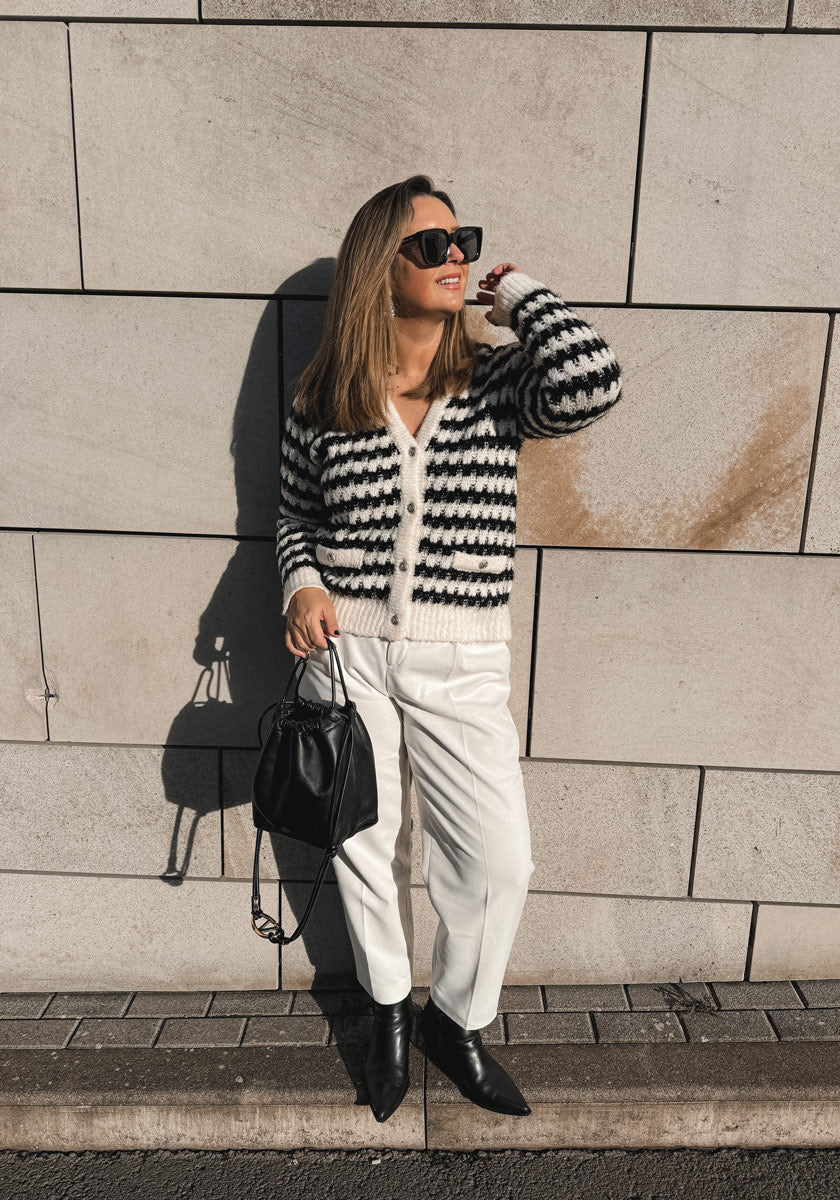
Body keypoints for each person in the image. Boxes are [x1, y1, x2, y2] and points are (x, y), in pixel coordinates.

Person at [276, 174, 623, 1123]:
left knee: (499, 859)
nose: (453, 255)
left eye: (460, 239)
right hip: (346, 655)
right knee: (361, 842)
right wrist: (300, 582)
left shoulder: (499, 382)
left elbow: (594, 380)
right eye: (429, 245)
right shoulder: (326, 395)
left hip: (461, 658)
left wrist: (516, 291)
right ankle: (389, 1010)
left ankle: (457, 1021)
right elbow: (295, 517)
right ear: (375, 267)